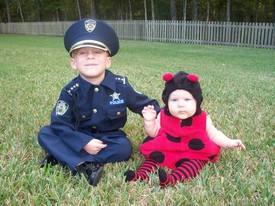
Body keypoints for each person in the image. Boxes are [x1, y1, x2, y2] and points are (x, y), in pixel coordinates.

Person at [38, 18, 160, 186]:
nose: (90, 57)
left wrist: (167, 118)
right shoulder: (70, 91)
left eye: (97, 52)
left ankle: (61, 155)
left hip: (108, 139)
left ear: (107, 60)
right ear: (74, 63)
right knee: (45, 133)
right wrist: (83, 142)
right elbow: (59, 124)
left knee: (124, 148)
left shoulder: (121, 86)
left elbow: (147, 105)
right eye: (82, 53)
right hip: (77, 136)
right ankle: (86, 164)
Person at [124, 71, 245, 187]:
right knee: (152, 159)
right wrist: (149, 121)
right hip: (165, 149)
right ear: (167, 102)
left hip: (192, 153)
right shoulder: (162, 116)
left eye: (187, 100)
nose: (180, 104)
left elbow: (214, 135)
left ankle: (172, 179)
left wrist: (229, 142)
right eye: (174, 100)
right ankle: (141, 176)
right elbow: (153, 133)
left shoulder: (203, 119)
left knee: (193, 165)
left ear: (197, 102)